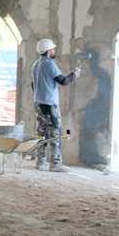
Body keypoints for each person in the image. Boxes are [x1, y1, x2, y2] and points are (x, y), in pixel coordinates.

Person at [31, 38, 81, 172]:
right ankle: (55, 163)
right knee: (55, 132)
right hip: (49, 105)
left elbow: (33, 85)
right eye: (52, 49)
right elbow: (63, 81)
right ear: (48, 51)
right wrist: (74, 75)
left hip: (38, 103)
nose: (54, 51)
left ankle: (40, 162)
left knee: (41, 133)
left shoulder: (36, 64)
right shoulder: (49, 64)